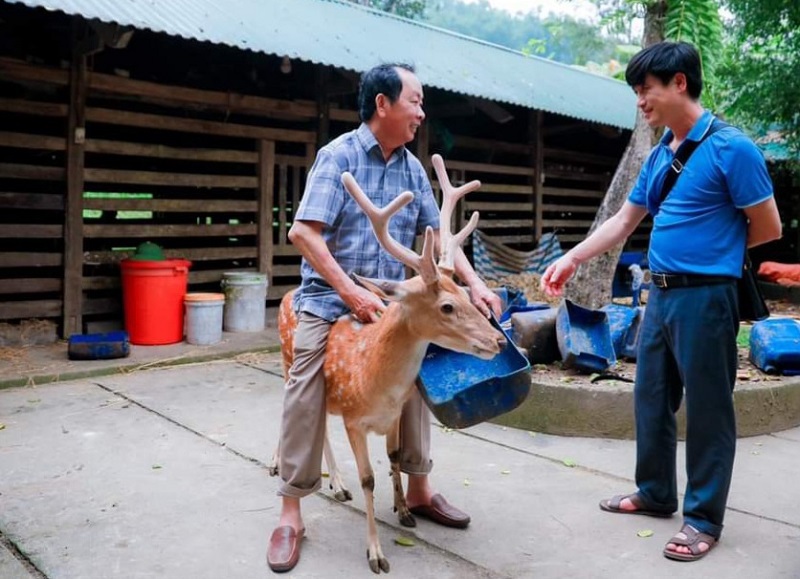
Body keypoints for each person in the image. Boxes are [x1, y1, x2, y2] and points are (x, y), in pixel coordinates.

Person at [541, 41, 782, 562]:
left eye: (645, 89)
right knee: (649, 398)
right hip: (660, 297)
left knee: (710, 409)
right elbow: (624, 221)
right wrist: (572, 259)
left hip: (708, 298)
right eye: (636, 91)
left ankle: (703, 518)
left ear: (679, 83)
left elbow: (768, 226)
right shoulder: (658, 155)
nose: (640, 101)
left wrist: (714, 249)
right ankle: (654, 493)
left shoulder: (731, 148)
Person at [267, 62, 502, 573]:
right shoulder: (338, 156)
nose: (422, 111)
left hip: (393, 302)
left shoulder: (413, 169)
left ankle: (418, 488)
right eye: (415, 100)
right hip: (331, 300)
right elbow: (303, 234)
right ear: (383, 104)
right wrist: (350, 293)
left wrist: (476, 285)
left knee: (417, 368)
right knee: (305, 381)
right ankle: (290, 510)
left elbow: (437, 247)